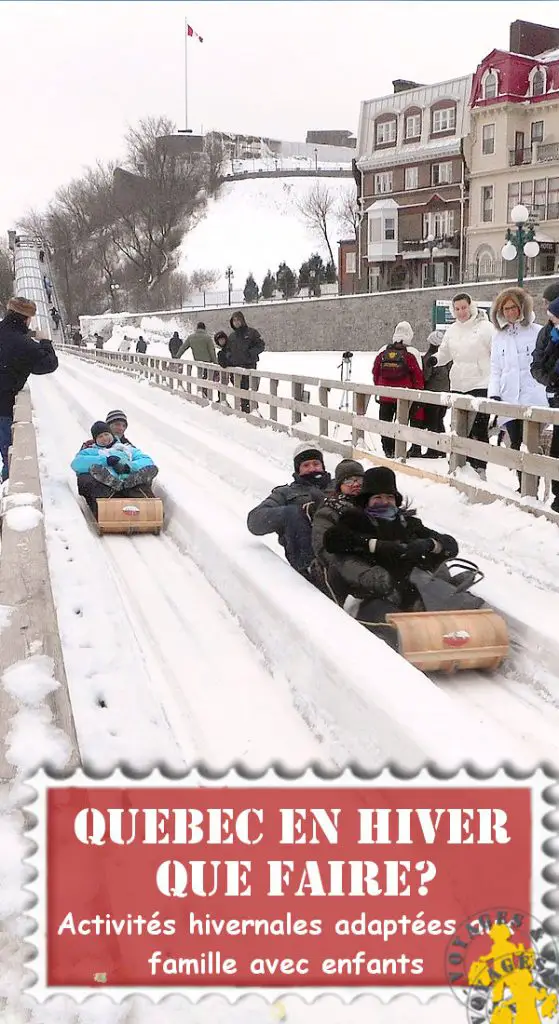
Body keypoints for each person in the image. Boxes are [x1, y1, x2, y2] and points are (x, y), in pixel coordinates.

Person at [320, 466, 458, 620]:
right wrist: (374, 545)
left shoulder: (409, 523)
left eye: (389, 497)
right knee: (398, 623)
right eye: (378, 497)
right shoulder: (355, 520)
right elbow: (332, 540)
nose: (384, 502)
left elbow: (451, 545)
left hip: (412, 591)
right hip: (371, 596)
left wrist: (430, 544)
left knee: (450, 603)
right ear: (367, 501)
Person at [488, 287, 547, 492]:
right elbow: (496, 368)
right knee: (515, 443)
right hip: (509, 397)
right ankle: (523, 484)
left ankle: (530, 486)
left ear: (522, 307)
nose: (510, 312)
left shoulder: (537, 332)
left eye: (513, 307)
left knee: (529, 443)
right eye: (505, 309)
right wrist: (494, 394)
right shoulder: (499, 336)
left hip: (533, 396)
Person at [247, 441, 331, 576]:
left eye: (316, 464)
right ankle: (312, 569)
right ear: (298, 469)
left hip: (338, 548)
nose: (312, 469)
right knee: (293, 512)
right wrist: (294, 512)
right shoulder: (285, 493)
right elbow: (255, 521)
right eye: (306, 465)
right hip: (306, 550)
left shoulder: (338, 487)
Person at [433, 292, 493, 479]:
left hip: (481, 382)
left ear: (471, 306)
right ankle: (460, 463)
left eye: (464, 307)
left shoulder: (485, 327)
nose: (461, 312)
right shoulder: (453, 330)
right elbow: (445, 353)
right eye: (457, 309)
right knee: (459, 427)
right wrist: (433, 360)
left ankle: (480, 466)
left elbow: (497, 351)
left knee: (479, 428)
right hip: (459, 383)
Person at [0, 297, 58, 481]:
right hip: (5, 405)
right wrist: (46, 342)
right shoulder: (23, 344)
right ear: (26, 319)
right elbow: (48, 364)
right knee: (12, 457)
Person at [71, 420, 158, 517]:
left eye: (106, 434)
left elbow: (146, 460)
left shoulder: (126, 448)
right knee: (94, 473)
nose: (104, 438)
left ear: (111, 434)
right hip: (107, 482)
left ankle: (131, 483)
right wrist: (106, 460)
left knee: (143, 477)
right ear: (95, 440)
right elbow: (77, 463)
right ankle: (113, 483)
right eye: (100, 436)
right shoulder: (91, 451)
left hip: (128, 479)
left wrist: (129, 467)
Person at [310, 459, 364, 596]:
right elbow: (322, 548)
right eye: (349, 480)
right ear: (339, 485)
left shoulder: (372, 505)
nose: (356, 484)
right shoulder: (328, 510)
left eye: (359, 479)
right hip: (343, 566)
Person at [372, 321, 425, 459]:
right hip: (404, 396)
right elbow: (418, 376)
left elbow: (375, 371)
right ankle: (399, 450)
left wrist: (380, 387)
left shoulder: (383, 351)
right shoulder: (411, 354)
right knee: (401, 424)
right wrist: (418, 394)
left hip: (385, 395)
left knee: (385, 423)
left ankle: (388, 449)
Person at [530, 281, 559, 512]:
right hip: (555, 396)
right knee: (557, 448)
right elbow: (537, 362)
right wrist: (549, 379)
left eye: (548, 303)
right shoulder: (546, 332)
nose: (545, 308)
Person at [225, 311, 265, 414]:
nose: (236, 322)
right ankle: (243, 413)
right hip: (236, 369)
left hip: (249, 367)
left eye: (238, 319)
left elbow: (260, 345)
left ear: (242, 320)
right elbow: (227, 350)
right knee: (240, 392)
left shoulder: (251, 333)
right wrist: (229, 357)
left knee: (250, 391)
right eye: (234, 320)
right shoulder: (232, 337)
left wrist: (250, 353)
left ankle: (252, 412)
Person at [421, 329, 450, 458]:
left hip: (432, 394)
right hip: (445, 394)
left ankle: (432, 450)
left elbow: (426, 376)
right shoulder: (448, 358)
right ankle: (442, 449)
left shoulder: (430, 358)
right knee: (439, 421)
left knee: (432, 422)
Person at [177, 321, 217, 399]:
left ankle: (200, 393)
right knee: (208, 381)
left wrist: (177, 356)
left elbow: (183, 348)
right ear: (204, 328)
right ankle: (206, 396)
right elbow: (212, 351)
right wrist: (215, 362)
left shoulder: (191, 337)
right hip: (208, 363)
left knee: (200, 378)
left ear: (197, 328)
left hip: (197, 361)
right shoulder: (208, 338)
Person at [214, 330, 230, 403]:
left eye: (222, 339)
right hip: (227, 371)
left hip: (233, 370)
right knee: (222, 383)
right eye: (220, 340)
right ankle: (221, 399)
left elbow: (224, 363)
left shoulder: (229, 348)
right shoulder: (223, 350)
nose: (221, 341)